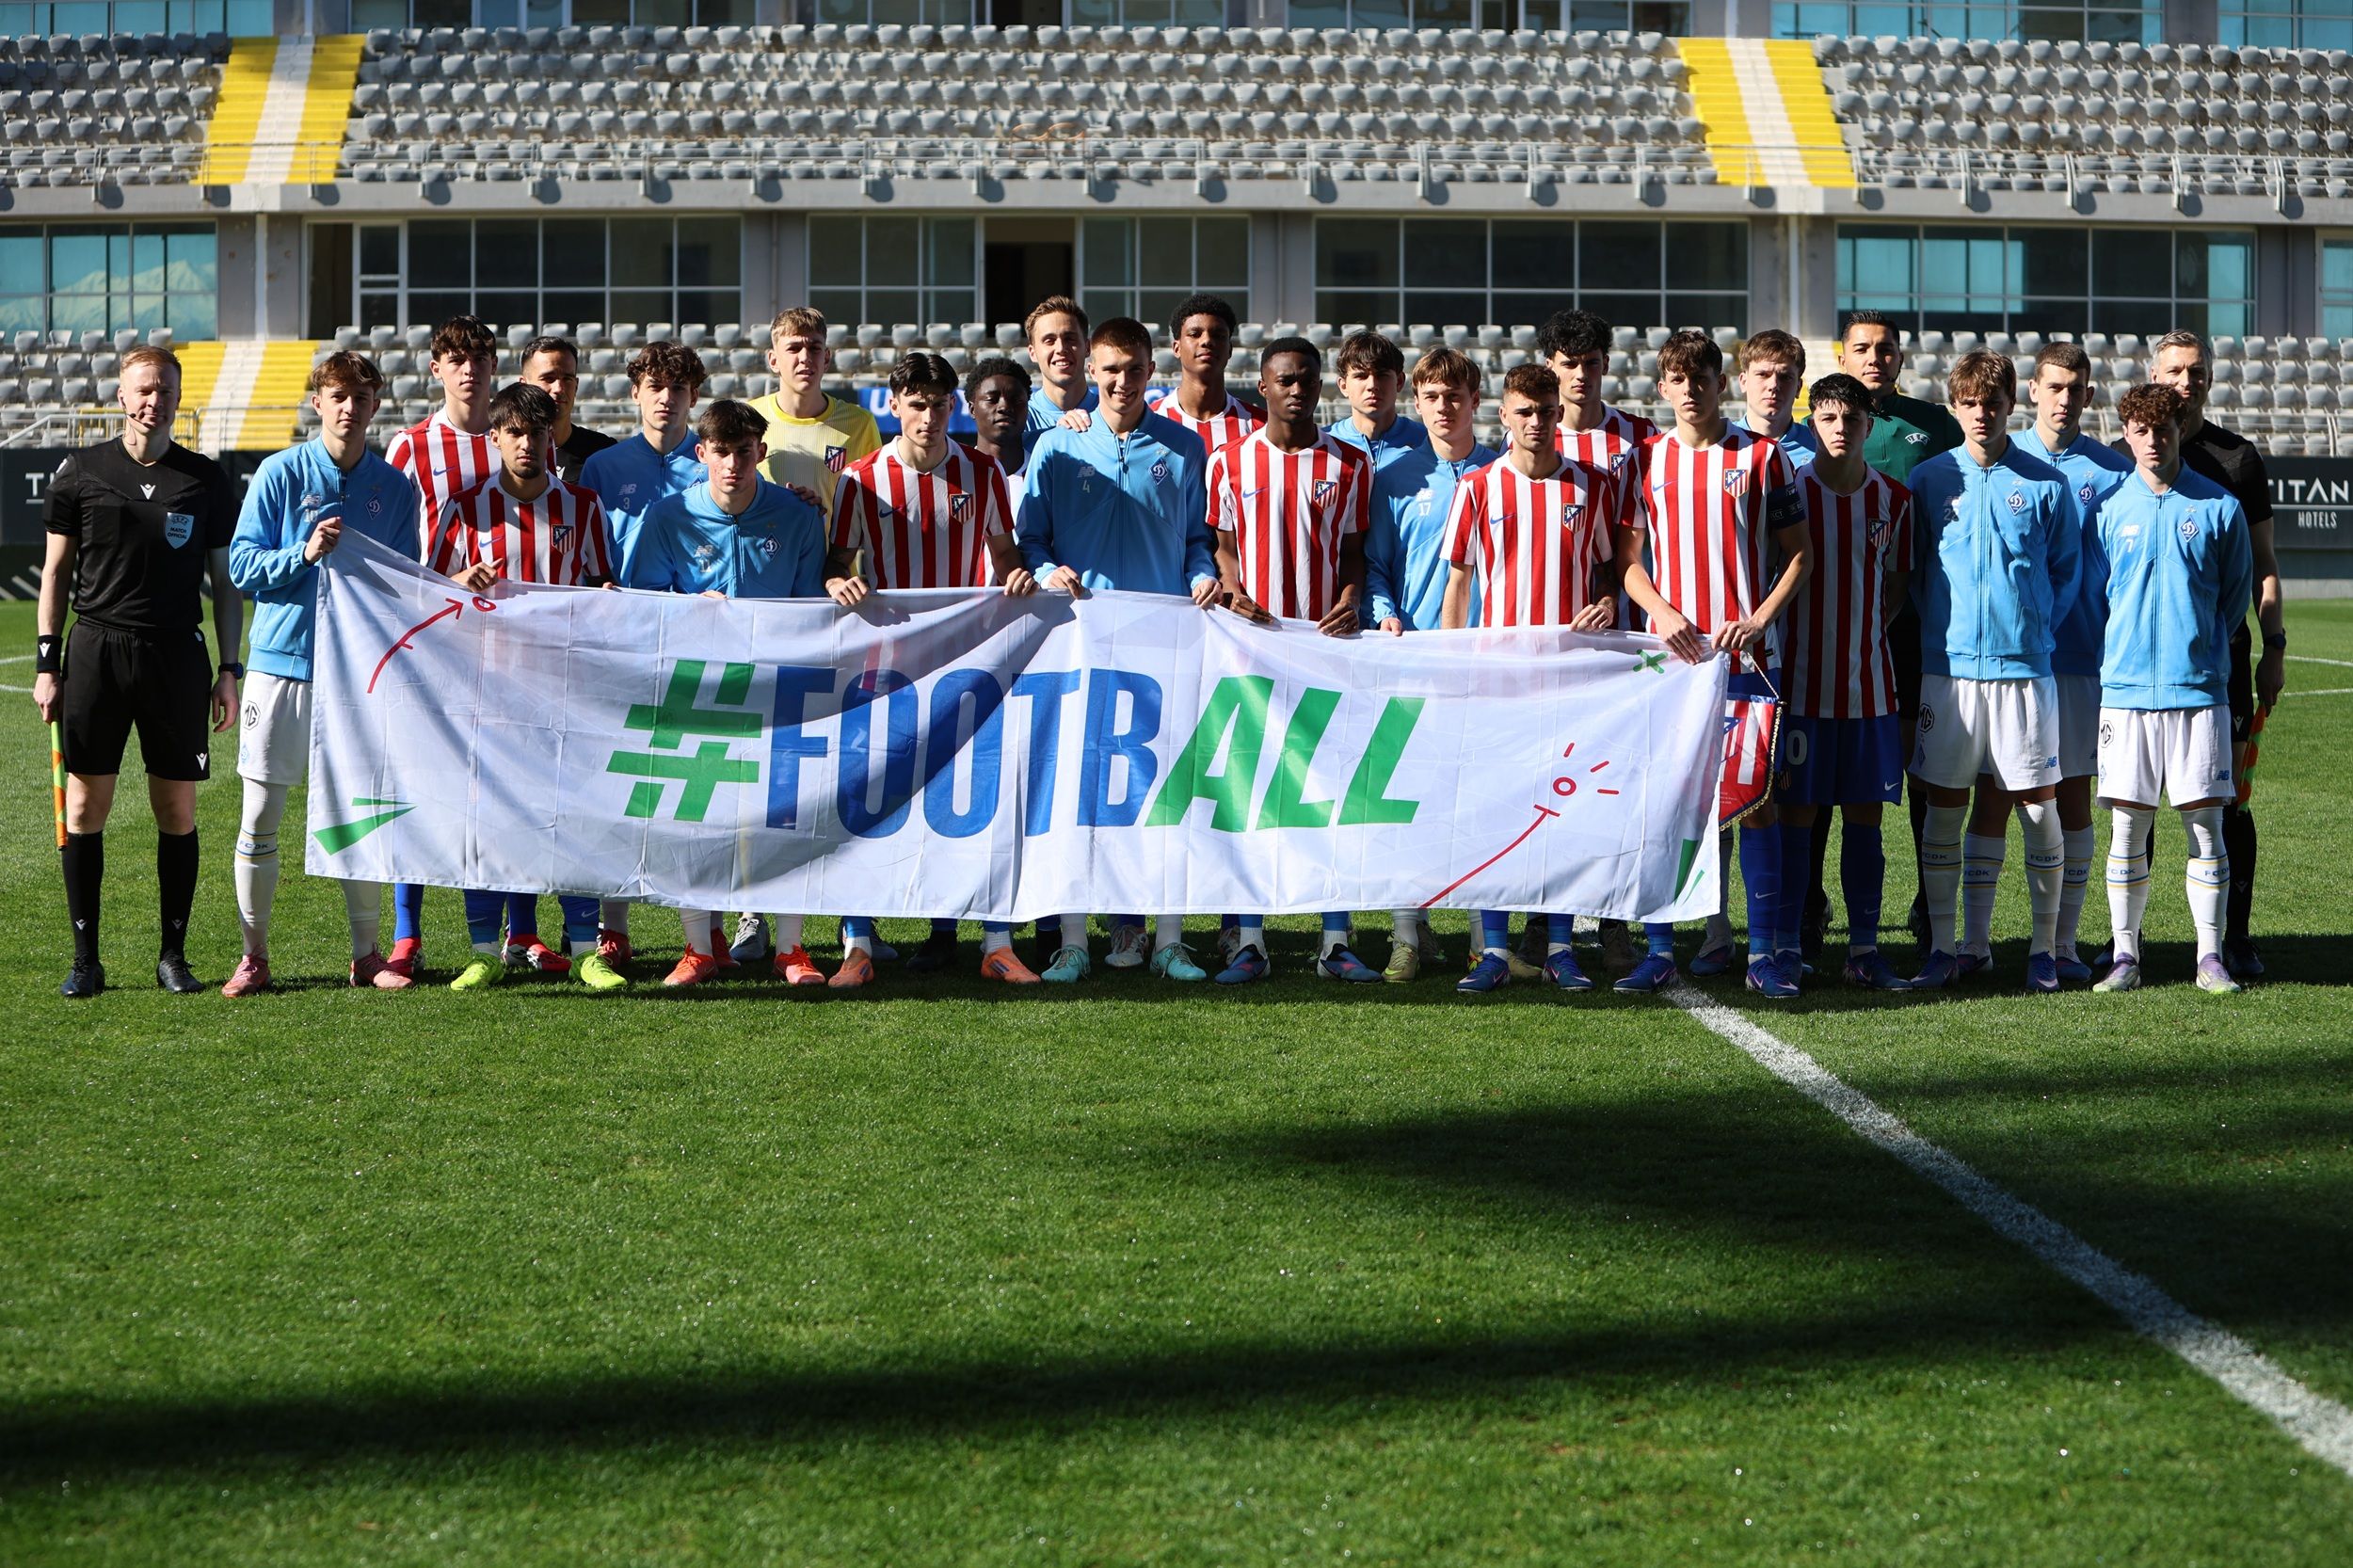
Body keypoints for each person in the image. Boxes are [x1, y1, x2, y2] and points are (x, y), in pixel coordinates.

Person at [1015, 315, 1222, 984]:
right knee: (1081, 792)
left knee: (1164, 792)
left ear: (1150, 371)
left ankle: (1167, 940)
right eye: (1110, 369)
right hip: (1082, 643)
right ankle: (1074, 939)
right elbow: (1032, 541)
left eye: (1134, 369)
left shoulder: (1185, 449)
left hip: (1165, 640)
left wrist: (1200, 573)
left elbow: (1197, 539)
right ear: (1091, 372)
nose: (1122, 381)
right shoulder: (1057, 449)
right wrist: (1048, 573)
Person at [825, 351, 1043, 986]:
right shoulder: (862, 479)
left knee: (980, 802)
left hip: (967, 665)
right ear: (893, 406)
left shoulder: (981, 471)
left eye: (938, 404)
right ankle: (858, 946)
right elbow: (837, 563)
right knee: (868, 805)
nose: (927, 416)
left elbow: (1004, 556)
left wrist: (1019, 577)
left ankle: (996, 942)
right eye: (915, 404)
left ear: (955, 407)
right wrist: (840, 581)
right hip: (885, 669)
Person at [33, 345, 241, 999]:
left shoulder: (206, 480)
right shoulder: (81, 472)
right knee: (87, 807)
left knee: (175, 807)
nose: (154, 401)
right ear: (122, 397)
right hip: (95, 652)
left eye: (166, 391)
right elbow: (56, 573)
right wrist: (47, 660)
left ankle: (172, 956)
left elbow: (226, 586)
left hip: (177, 658)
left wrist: (229, 669)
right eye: (144, 390)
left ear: (180, 400)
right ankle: (85, 959)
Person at [1614, 329, 1811, 999]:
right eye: (1678, 377)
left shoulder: (1763, 458)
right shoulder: (1644, 460)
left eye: (1702, 376)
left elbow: (1798, 557)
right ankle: (1663, 948)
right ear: (1663, 387)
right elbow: (1629, 564)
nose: (1691, 388)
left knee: (1755, 806)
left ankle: (1763, 956)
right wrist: (1661, 612)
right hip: (1669, 665)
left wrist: (1758, 619)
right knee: (1666, 806)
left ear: (1719, 384)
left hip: (1749, 660)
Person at [221, 350, 422, 998]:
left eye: (361, 398)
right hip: (281, 668)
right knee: (260, 814)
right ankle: (254, 956)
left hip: (357, 677)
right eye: (337, 396)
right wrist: (303, 554)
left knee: (358, 816)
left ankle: (366, 954)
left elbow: (404, 584)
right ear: (317, 403)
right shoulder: (279, 474)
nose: (348, 408)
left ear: (374, 407)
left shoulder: (395, 489)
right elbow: (242, 569)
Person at [622, 400, 830, 988]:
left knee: (783, 817)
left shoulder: (795, 516)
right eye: (722, 452)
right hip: (698, 685)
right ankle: (697, 948)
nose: (734, 464)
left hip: (777, 684)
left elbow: (811, 605)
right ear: (702, 454)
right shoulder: (668, 517)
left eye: (745, 452)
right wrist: (693, 608)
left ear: (760, 453)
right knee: (695, 816)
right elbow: (641, 600)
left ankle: (792, 948)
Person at [425, 382, 625, 993]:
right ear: (495, 438)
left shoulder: (584, 507)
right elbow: (426, 595)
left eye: (536, 432)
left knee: (573, 816)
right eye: (514, 432)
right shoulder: (463, 508)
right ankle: (486, 950)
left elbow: (602, 589)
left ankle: (587, 949)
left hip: (565, 689)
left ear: (550, 438)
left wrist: (608, 601)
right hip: (485, 692)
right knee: (486, 820)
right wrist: (460, 579)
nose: (526, 443)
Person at [1438, 363, 1620, 997]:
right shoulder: (1479, 487)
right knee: (1495, 813)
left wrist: (1607, 603)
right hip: (1498, 678)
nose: (1536, 423)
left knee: (1559, 813)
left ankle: (1560, 946)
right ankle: (1491, 949)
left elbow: (1606, 576)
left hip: (1569, 680)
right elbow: (1459, 582)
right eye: (1524, 412)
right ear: (1504, 417)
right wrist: (1456, 665)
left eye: (1545, 411)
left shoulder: (1588, 489)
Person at [1903, 350, 2079, 994]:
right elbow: (1916, 571)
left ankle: (2041, 949)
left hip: (2024, 672)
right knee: (1944, 808)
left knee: (2038, 807)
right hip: (1947, 673)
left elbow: (2065, 570)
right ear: (1956, 406)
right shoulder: (1928, 479)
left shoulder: (2044, 484)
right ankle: (1947, 948)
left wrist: (2034, 627)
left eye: (1994, 401)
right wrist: (1938, 632)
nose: (1982, 412)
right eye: (1971, 402)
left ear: (2012, 403)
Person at [1205, 335, 1377, 986]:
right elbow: (1221, 545)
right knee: (1252, 793)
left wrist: (1351, 599)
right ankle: (1250, 939)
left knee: (1332, 790)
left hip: (1325, 649)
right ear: (1264, 388)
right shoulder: (1229, 462)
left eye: (1306, 379)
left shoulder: (1349, 464)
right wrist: (1234, 588)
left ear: (1320, 386)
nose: (1297, 389)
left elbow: (1356, 550)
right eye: (1285, 380)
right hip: (1253, 646)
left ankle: (1337, 939)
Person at [2085, 383, 2254, 995]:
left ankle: (2210, 957)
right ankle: (2126, 956)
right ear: (2125, 431)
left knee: (2205, 826)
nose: (2152, 440)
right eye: (2140, 429)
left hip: (2198, 693)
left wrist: (2199, 648)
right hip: (2126, 695)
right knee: (2128, 830)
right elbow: (2095, 595)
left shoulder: (2218, 507)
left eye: (2164, 429)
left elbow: (2234, 601)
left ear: (2181, 429)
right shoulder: (2106, 509)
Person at [2136, 329, 2285, 981]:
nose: (2186, 383)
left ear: (2210, 378)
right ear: (2154, 375)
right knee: (2133, 806)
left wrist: (2273, 647)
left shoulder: (2237, 458)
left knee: (2229, 803)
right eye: (2174, 371)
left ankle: (2237, 937)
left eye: (2196, 372)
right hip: (2138, 673)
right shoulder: (2125, 455)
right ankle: (2126, 941)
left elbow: (2265, 568)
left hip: (2219, 668)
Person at [1828, 310, 1966, 952]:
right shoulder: (1819, 426)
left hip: (1914, 625)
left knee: (1922, 767)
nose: (1875, 358)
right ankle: (1810, 901)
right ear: (1843, 355)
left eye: (1885, 349)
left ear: (1900, 358)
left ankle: (1928, 899)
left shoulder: (1935, 427)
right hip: (1833, 630)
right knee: (1827, 766)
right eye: (1863, 348)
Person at [1773, 374, 1913, 991]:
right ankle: (1787, 945)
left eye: (1850, 420)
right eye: (1827, 418)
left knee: (1865, 819)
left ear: (1869, 426)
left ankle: (1863, 949)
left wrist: (1860, 636)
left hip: (1870, 691)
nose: (1839, 429)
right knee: (1797, 817)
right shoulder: (1788, 492)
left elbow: (1897, 587)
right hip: (1801, 690)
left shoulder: (1893, 499)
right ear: (1812, 422)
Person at [1367, 346, 1497, 981]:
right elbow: (1373, 567)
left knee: (1479, 803)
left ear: (1476, 401)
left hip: (1486, 667)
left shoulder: (1504, 475)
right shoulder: (1394, 477)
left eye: (1456, 396)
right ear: (1416, 403)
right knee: (1403, 803)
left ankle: (1484, 938)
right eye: (1432, 397)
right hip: (1411, 661)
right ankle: (1406, 935)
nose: (1444, 408)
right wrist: (1384, 610)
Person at [579, 340, 711, 968]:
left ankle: (705, 931)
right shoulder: (604, 468)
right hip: (619, 640)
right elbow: (582, 547)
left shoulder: (713, 462)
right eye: (654, 387)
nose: (666, 398)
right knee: (617, 789)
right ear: (635, 394)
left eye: (678, 388)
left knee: (694, 789)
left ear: (694, 397)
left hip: (692, 642)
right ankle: (614, 925)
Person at [381, 314, 500, 979]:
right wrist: (441, 585)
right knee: (418, 783)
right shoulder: (411, 447)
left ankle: (510, 936)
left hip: (500, 644)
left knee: (492, 787)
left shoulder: (516, 438)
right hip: (430, 639)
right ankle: (406, 934)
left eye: (480, 358)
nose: (469, 369)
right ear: (436, 369)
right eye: (456, 358)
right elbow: (397, 552)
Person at [2013, 344, 2133, 984]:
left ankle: (2062, 942)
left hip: (2085, 656)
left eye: (2075, 388)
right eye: (2053, 386)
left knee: (2074, 795)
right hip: (2011, 661)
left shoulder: (2113, 472)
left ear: (2089, 396)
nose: (2064, 398)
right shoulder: (2004, 460)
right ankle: (1975, 941)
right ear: (2032, 390)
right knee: (1994, 794)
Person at [746, 306, 882, 519]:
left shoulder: (859, 423)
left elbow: (873, 506)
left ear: (826, 358)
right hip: (763, 551)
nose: (805, 357)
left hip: (832, 553)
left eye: (814, 348)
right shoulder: (748, 418)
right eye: (794, 348)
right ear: (773, 360)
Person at [1153, 293, 1264, 455]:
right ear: (1176, 348)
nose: (1207, 341)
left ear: (1230, 350)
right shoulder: (1150, 421)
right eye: (1195, 334)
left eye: (1218, 335)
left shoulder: (1260, 426)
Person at [517, 333, 616, 484]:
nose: (559, 388)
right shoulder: (504, 453)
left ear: (576, 386)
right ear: (524, 385)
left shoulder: (604, 453)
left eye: (567, 379)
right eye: (548, 379)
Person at [1325, 329, 1429, 475]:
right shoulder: (1325, 443)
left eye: (1382, 375)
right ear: (1343, 386)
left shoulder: (1427, 442)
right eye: (1361, 376)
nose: (1372, 385)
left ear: (1399, 382)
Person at [1735, 329, 1819, 472]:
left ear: (1798, 388)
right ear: (1743, 382)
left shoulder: (1821, 448)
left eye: (1785, 377)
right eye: (1763, 374)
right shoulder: (1720, 444)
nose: (1773, 385)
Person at [1022, 296, 1096, 441]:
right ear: (1033, 353)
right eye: (1049, 341)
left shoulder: (1110, 413)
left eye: (1070, 339)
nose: (1061, 348)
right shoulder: (1019, 418)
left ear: (1087, 347)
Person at [959, 356, 1032, 476]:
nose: (1004, 407)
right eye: (992, 399)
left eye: (1015, 400)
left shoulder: (1047, 473)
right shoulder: (954, 476)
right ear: (972, 410)